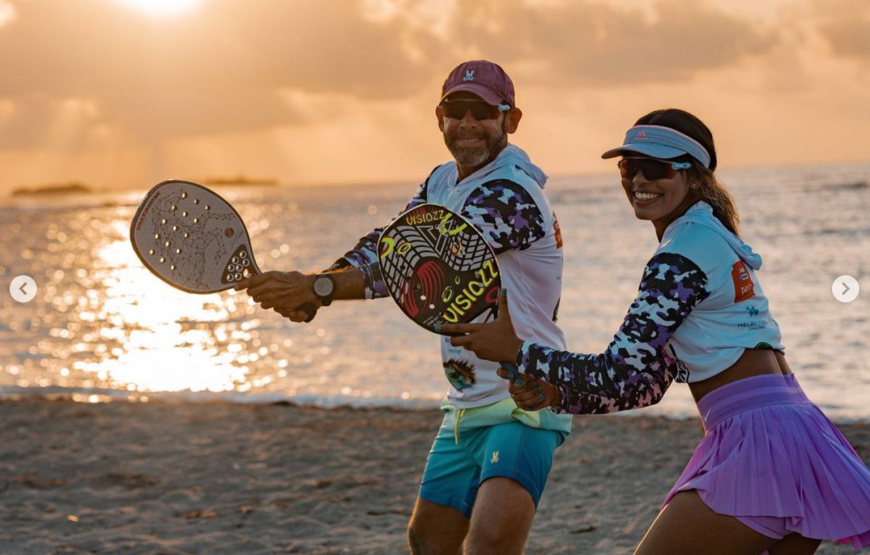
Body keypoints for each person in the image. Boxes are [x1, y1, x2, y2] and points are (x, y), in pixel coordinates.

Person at [442, 108, 870, 554]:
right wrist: (556, 396)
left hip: (759, 443)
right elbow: (645, 385)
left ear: (695, 177)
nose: (639, 180)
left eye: (657, 167)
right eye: (629, 167)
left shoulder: (681, 257)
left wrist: (517, 350)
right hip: (791, 434)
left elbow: (615, 369)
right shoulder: (706, 237)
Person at [234, 60, 572, 555]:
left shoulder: (512, 192)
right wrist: (315, 289)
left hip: (524, 399)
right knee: (427, 541)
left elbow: (428, 264)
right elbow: (386, 245)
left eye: (483, 112)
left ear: (511, 120)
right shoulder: (441, 180)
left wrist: (318, 289)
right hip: (466, 402)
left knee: (490, 545)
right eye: (456, 111)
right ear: (439, 118)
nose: (468, 124)